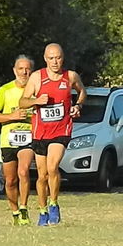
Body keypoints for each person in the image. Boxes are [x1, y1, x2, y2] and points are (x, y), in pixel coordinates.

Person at [19, 43, 86, 226]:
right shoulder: (36, 77)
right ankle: (42, 210)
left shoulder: (70, 76)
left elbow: (82, 92)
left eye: (58, 57)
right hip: (40, 132)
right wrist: (36, 100)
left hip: (61, 129)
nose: (55, 62)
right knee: (42, 175)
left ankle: (54, 203)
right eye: (51, 58)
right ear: (45, 59)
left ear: (63, 58)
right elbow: (22, 102)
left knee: (52, 166)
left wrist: (77, 106)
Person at [0, 55, 35, 225]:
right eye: (21, 69)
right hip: (8, 140)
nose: (24, 72)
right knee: (10, 180)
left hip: (28, 137)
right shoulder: (4, 90)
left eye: (27, 68)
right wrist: (12, 116)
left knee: (23, 172)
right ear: (14, 71)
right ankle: (14, 211)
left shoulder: (36, 90)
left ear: (32, 71)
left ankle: (23, 208)